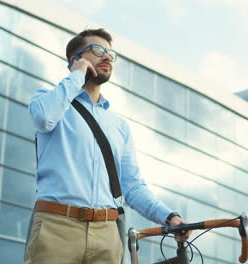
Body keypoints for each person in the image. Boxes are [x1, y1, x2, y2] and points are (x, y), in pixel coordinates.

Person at [25, 28, 189, 264]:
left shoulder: (118, 125)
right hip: (57, 226)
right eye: (97, 50)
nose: (106, 57)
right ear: (75, 59)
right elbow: (42, 118)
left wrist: (169, 217)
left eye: (110, 54)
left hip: (107, 233)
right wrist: (77, 75)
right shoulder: (49, 100)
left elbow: (131, 186)